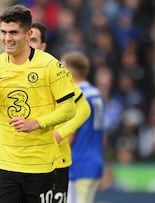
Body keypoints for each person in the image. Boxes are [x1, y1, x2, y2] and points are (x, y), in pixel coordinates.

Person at [0, 5, 77, 203]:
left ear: (28, 34)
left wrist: (36, 123)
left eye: (13, 33)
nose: (7, 38)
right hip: (3, 164)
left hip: (40, 166)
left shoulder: (50, 65)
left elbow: (70, 108)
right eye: (3, 32)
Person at [30, 22, 91, 202]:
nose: (28, 44)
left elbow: (84, 109)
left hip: (55, 160)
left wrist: (60, 133)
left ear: (43, 46)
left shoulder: (56, 71)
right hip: (24, 160)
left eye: (33, 40)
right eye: (26, 38)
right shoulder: (11, 71)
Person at [61, 51, 105, 203]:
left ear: (69, 71)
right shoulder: (96, 94)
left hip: (79, 163)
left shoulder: (78, 96)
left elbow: (70, 134)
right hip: (94, 161)